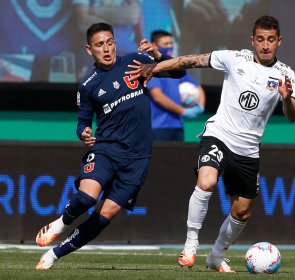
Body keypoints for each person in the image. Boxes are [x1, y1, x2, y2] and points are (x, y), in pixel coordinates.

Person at [126, 15, 295, 272]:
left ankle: (216, 255)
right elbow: (190, 61)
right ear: (252, 40)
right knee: (206, 182)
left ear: (279, 41)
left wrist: (286, 99)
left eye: (271, 40)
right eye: (260, 39)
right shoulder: (235, 59)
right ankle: (190, 245)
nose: (265, 45)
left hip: (248, 150)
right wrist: (156, 68)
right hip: (219, 135)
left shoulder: (286, 75)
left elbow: (293, 116)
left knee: (242, 212)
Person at [34, 22, 185, 270]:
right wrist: (84, 133)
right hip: (107, 149)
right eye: (99, 44)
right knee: (86, 197)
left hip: (138, 158)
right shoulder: (89, 85)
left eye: (110, 42)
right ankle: (61, 223)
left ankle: (53, 254)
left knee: (103, 217)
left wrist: (157, 56)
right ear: (88, 49)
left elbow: (179, 72)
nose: (107, 49)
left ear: (115, 42)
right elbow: (82, 123)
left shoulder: (137, 61)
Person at [148, 30, 205, 141]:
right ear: (154, 45)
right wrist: (183, 111)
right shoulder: (152, 66)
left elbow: (198, 88)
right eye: (166, 44)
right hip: (158, 127)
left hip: (177, 125)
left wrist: (200, 107)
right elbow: (157, 96)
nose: (170, 47)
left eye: (171, 43)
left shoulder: (176, 67)